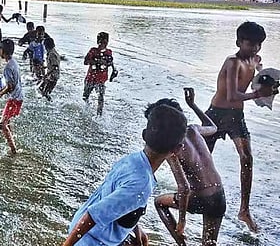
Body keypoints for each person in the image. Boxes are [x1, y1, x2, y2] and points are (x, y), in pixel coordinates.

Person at [63, 104, 188, 246]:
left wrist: (134, 227)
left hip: (85, 229)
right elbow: (93, 216)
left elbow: (116, 202)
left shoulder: (132, 161)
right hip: (91, 240)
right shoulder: (141, 184)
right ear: (177, 149)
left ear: (144, 134)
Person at [204, 21, 277, 232]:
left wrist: (267, 83)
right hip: (216, 114)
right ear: (239, 42)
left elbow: (259, 78)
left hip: (236, 116)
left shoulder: (255, 59)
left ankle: (244, 210)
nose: (254, 48)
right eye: (250, 43)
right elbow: (232, 95)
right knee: (202, 157)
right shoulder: (232, 62)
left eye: (258, 44)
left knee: (247, 158)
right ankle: (193, 191)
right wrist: (257, 94)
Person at [152, 88, 225, 246]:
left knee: (159, 202)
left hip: (201, 198)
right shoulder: (194, 129)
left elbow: (184, 188)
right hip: (219, 195)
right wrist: (193, 105)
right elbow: (213, 127)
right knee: (209, 242)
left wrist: (181, 221)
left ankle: (181, 243)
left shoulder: (172, 147)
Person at [0, 39, 24, 154]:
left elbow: (10, 86)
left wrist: (0, 93)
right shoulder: (14, 62)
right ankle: (12, 143)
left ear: (2, 51)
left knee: (2, 124)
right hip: (18, 97)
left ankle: (13, 150)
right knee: (7, 122)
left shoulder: (8, 67)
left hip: (14, 99)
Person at [83, 32, 117, 116]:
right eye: (102, 42)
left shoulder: (109, 52)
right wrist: (98, 61)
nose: (103, 44)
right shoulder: (93, 51)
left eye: (105, 42)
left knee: (101, 98)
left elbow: (111, 63)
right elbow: (85, 62)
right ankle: (86, 110)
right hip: (90, 78)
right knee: (85, 96)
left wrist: (113, 71)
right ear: (98, 41)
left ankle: (99, 115)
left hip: (101, 80)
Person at [39, 37, 60, 101]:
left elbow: (55, 67)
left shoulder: (52, 54)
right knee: (41, 88)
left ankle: (51, 103)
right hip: (51, 76)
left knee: (45, 93)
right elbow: (53, 65)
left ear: (46, 46)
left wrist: (47, 74)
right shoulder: (53, 52)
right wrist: (45, 67)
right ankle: (47, 101)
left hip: (53, 77)